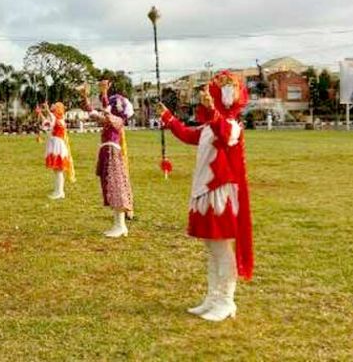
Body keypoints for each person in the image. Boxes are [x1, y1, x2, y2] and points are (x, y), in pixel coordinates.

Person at [157, 71, 254, 322]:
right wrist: (168, 118)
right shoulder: (211, 125)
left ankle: (226, 300)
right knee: (212, 249)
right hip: (206, 192)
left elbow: (224, 135)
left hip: (220, 195)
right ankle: (212, 297)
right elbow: (188, 134)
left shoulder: (232, 126)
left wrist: (213, 113)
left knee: (221, 250)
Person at [77, 81, 134, 238]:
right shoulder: (112, 119)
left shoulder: (118, 120)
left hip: (112, 152)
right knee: (110, 187)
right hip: (107, 151)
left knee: (116, 188)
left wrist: (103, 94)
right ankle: (118, 224)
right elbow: (98, 114)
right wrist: (87, 99)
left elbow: (106, 115)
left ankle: (121, 225)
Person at [36, 102, 73, 200]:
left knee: (58, 170)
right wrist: (40, 113)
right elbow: (48, 123)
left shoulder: (59, 119)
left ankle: (60, 191)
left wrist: (47, 109)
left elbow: (51, 119)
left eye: (54, 106)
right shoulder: (57, 119)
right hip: (55, 145)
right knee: (56, 170)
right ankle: (58, 191)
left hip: (57, 146)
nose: (52, 107)